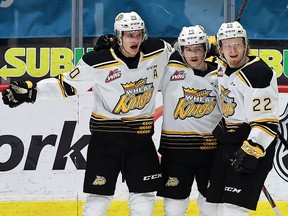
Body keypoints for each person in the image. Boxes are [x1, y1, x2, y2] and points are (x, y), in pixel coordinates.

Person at [2, 11, 174, 216]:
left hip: (141, 141)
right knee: (99, 198)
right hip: (105, 142)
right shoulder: (97, 62)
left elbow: (186, 55)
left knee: (144, 196)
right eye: (129, 35)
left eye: (138, 34)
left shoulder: (159, 51)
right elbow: (65, 85)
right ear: (119, 37)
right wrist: (31, 92)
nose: (135, 39)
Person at [205, 21, 279, 215]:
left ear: (246, 45)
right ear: (219, 48)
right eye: (227, 44)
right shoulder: (222, 64)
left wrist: (253, 149)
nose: (233, 49)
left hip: (252, 146)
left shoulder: (259, 73)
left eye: (237, 43)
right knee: (212, 207)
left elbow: (267, 121)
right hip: (228, 145)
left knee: (233, 210)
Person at [156, 25, 222, 216]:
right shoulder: (169, 69)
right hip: (175, 153)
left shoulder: (220, 73)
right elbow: (145, 52)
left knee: (211, 208)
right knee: (174, 209)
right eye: (188, 49)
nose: (193, 54)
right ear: (181, 50)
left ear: (206, 50)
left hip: (210, 152)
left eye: (198, 49)